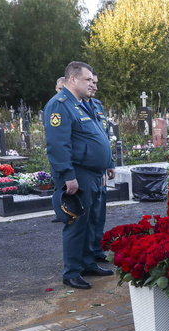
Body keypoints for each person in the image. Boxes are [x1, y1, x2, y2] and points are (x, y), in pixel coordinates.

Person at [45, 61, 114, 289]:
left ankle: (87, 263)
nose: (91, 83)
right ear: (72, 80)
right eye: (87, 80)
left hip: (92, 173)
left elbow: (97, 136)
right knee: (76, 222)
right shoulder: (60, 105)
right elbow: (57, 145)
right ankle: (71, 271)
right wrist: (67, 175)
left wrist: (106, 162)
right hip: (78, 173)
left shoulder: (82, 105)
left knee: (89, 221)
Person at [85, 71, 115, 262]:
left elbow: (104, 136)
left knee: (99, 213)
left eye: (96, 82)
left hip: (101, 170)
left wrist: (110, 163)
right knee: (89, 215)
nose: (95, 86)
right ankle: (87, 253)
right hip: (88, 171)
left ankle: (97, 249)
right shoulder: (76, 107)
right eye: (91, 82)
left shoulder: (97, 106)